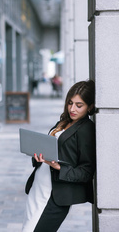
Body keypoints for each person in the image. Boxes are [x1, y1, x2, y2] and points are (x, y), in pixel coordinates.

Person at [22, 80, 96, 232]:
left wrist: (58, 166)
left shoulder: (86, 129)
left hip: (55, 195)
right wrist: (38, 157)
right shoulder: (64, 122)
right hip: (39, 187)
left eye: (79, 105)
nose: (72, 109)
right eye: (70, 103)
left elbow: (86, 172)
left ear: (90, 107)